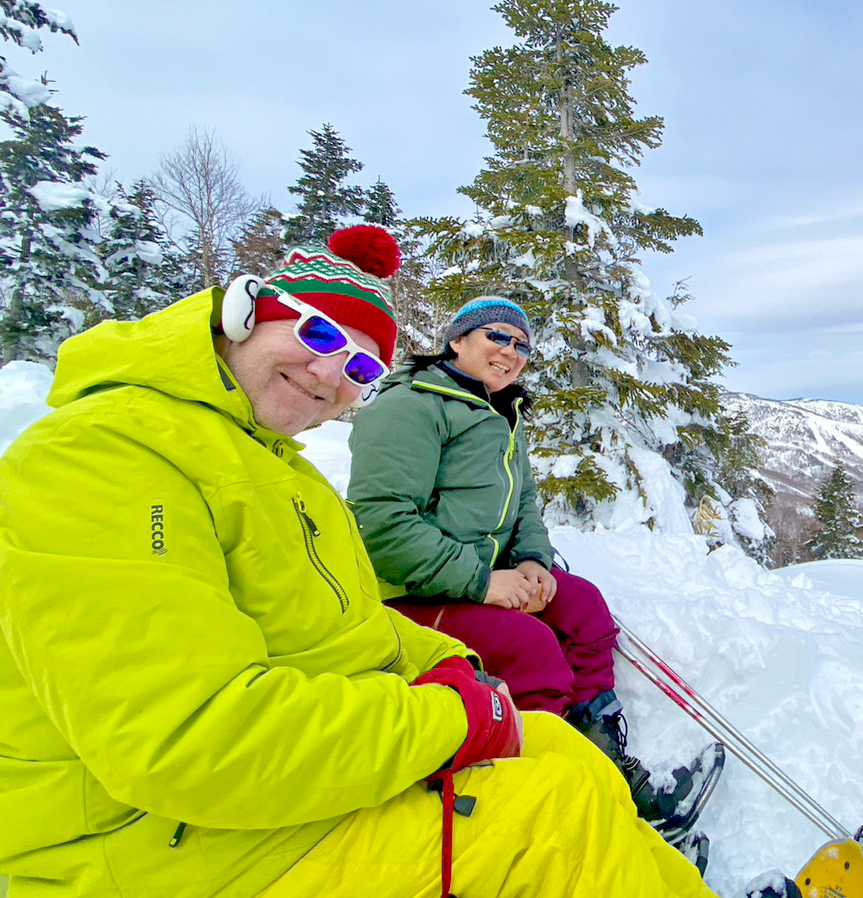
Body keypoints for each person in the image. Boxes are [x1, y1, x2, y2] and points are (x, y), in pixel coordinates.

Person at [0, 227, 715, 898]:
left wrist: (509, 590)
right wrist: (467, 664)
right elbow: (187, 736)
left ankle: (638, 831)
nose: (330, 372)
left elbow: (354, 619)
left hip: (254, 799)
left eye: (360, 363)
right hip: (160, 847)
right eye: (315, 331)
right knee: (548, 806)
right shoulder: (105, 457)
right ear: (248, 312)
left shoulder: (280, 465)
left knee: (563, 734)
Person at [346, 296, 723, 841]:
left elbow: (524, 504)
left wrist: (531, 560)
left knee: (585, 608)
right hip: (409, 593)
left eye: (522, 345)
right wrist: (481, 581)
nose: (511, 352)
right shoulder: (412, 405)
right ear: (457, 340)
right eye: (497, 337)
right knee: (531, 646)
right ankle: (568, 792)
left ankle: (602, 758)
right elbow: (381, 527)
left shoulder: (503, 412)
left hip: (483, 572)